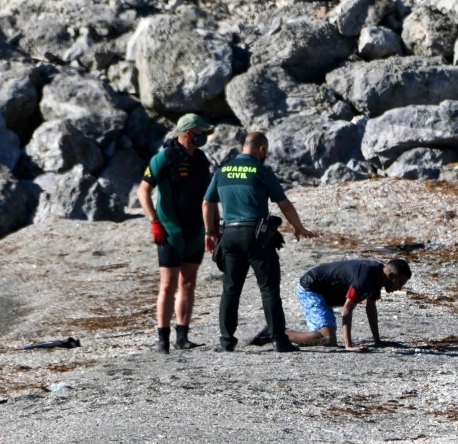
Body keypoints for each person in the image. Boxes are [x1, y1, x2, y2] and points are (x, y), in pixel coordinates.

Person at [202, 131, 315, 353]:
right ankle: (279, 340)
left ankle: (226, 340)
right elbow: (284, 204)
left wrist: (209, 232)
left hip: (230, 235)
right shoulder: (261, 171)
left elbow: (207, 204)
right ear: (261, 150)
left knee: (231, 288)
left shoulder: (222, 171)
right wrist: (298, 228)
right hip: (256, 235)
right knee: (269, 288)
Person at [137, 113, 215, 353]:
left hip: (195, 230)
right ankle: (163, 339)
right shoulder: (163, 158)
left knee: (188, 283)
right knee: (168, 284)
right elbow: (143, 191)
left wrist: (211, 229)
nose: (206, 136)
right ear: (189, 133)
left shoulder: (201, 159)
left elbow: (209, 198)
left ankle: (183, 336)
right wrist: (154, 222)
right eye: (202, 132)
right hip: (170, 230)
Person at [270, 259, 412, 351]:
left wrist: (377, 341)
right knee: (327, 339)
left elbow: (371, 308)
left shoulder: (378, 279)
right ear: (390, 276)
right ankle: (278, 333)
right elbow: (346, 310)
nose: (399, 288)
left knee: (326, 338)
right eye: (399, 283)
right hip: (311, 288)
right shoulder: (367, 276)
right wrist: (348, 345)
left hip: (325, 293)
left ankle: (279, 332)